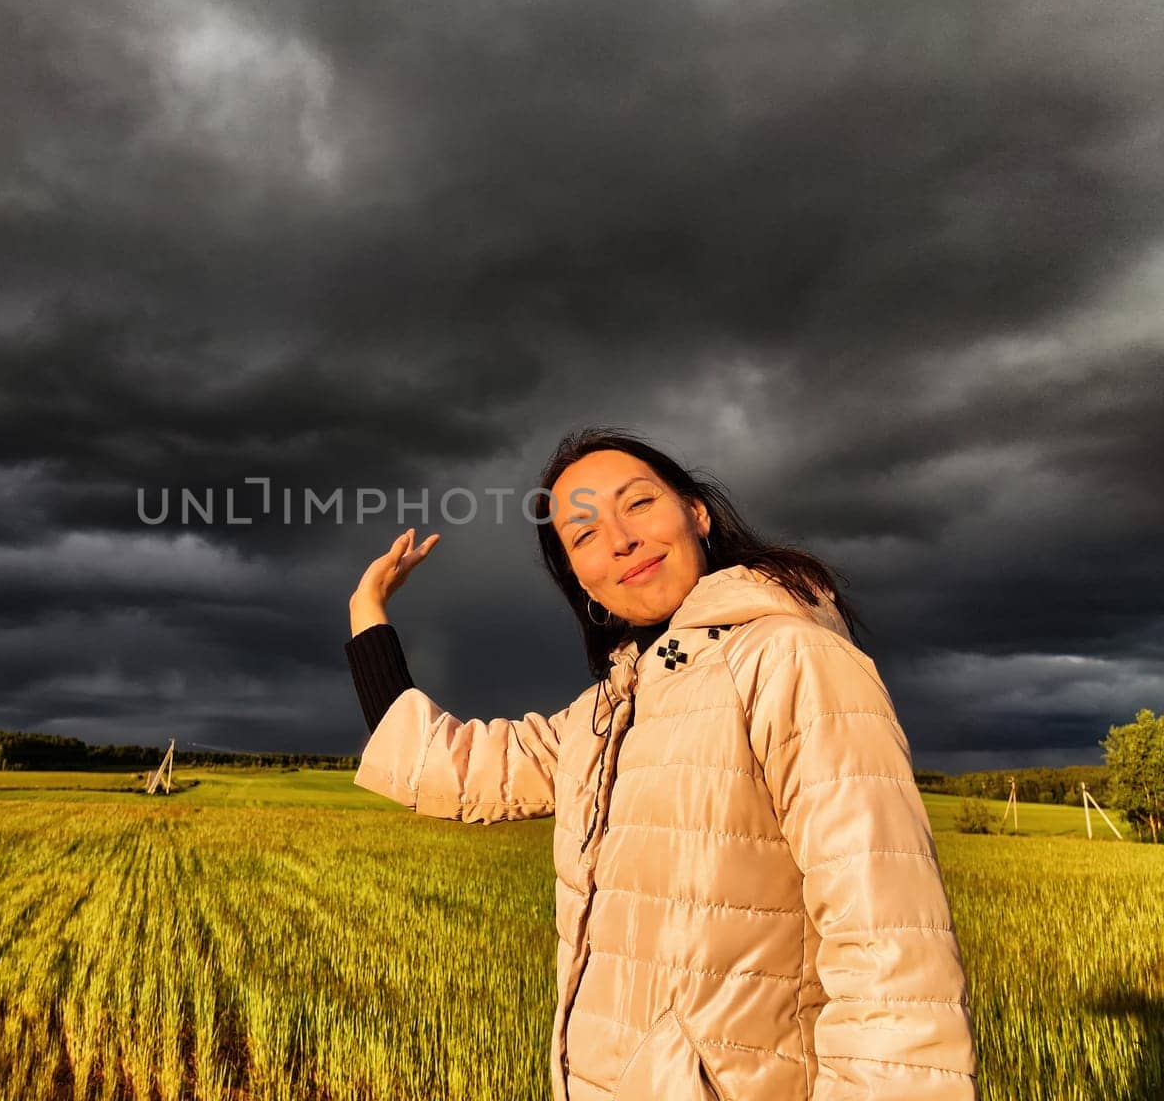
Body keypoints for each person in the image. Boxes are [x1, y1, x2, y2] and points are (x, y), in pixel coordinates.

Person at [344, 428, 977, 1101]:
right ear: (580, 581)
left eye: (638, 504)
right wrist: (366, 612)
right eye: (583, 535)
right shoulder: (608, 710)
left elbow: (890, 952)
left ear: (696, 514)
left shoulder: (788, 659)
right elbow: (457, 768)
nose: (618, 539)